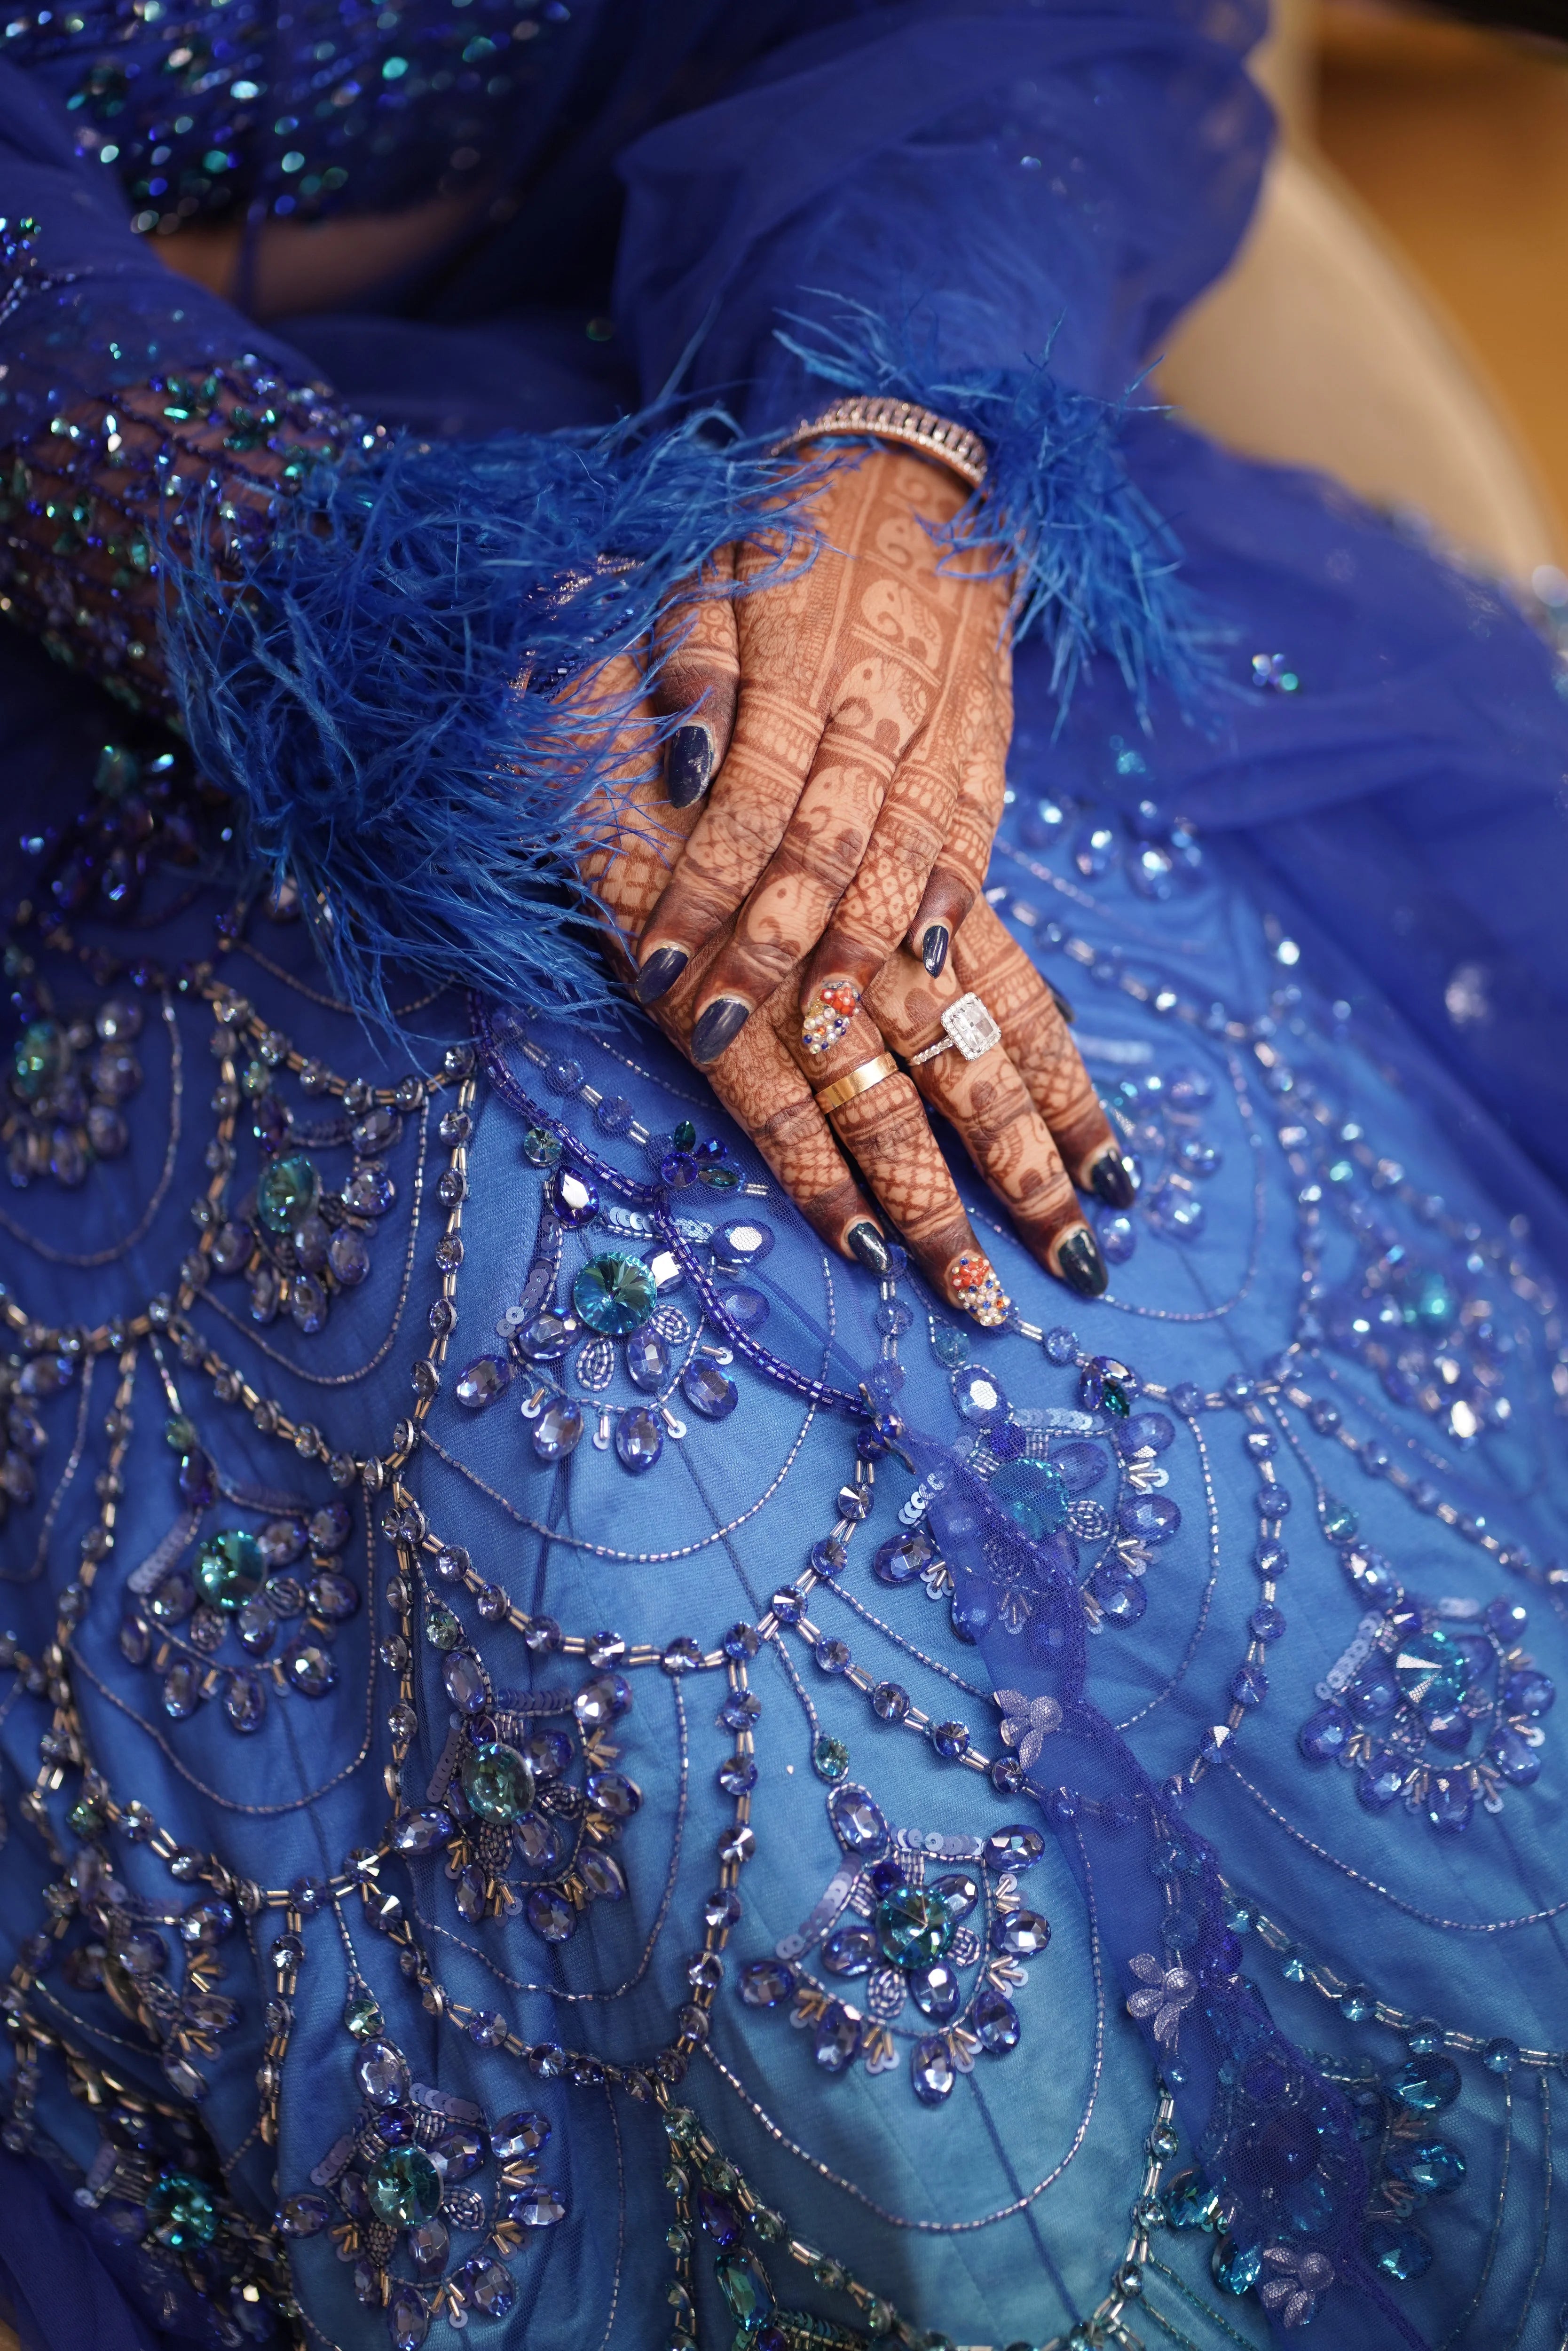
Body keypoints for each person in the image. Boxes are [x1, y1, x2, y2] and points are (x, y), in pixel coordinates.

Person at [0, 3, 1564, 2346]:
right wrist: (352, 622)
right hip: (107, 599)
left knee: (1175, 1337)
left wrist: (896, 451)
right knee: (597, 1437)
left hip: (712, 454)